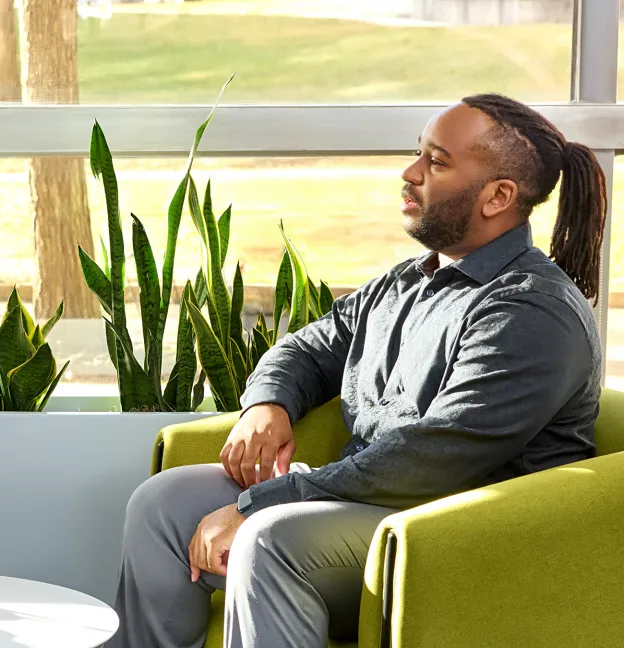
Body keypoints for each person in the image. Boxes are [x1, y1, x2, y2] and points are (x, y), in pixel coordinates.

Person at [108, 94, 605, 648]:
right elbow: (308, 349)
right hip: (375, 502)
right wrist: (267, 403)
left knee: (269, 538)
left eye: (436, 162)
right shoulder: (407, 283)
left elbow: (438, 454)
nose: (410, 173)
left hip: (462, 533)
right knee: (164, 505)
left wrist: (260, 503)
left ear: (499, 197)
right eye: (418, 153)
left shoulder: (531, 311)